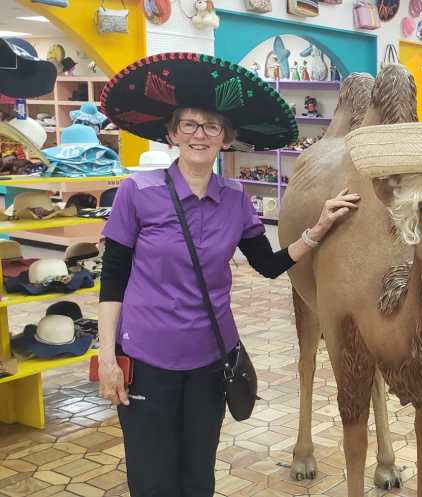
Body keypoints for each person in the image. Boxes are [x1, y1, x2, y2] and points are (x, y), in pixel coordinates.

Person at [95, 53, 359, 497]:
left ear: (226, 138)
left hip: (210, 360)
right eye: (189, 125)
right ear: (172, 133)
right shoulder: (137, 192)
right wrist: (107, 358)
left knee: (199, 475)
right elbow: (113, 279)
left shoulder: (235, 199)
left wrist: (319, 228)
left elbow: (268, 265)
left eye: (212, 127)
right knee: (152, 478)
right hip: (147, 359)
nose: (199, 135)